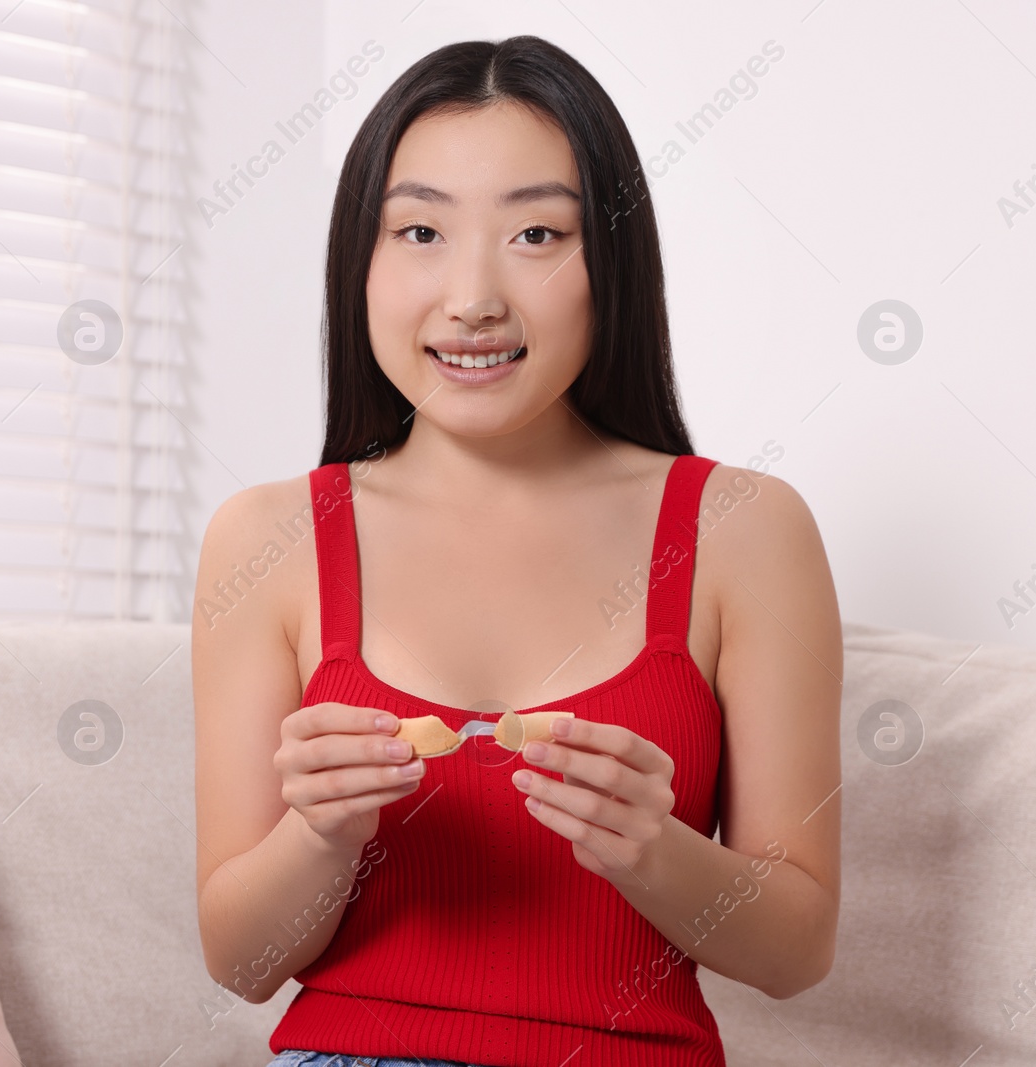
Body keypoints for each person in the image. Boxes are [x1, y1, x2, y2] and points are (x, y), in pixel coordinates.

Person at [193, 34, 841, 1067]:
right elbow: (241, 957)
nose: (472, 296)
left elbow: (794, 948)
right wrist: (318, 834)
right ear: (357, 261)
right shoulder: (265, 538)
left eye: (537, 233)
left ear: (611, 262)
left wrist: (651, 845)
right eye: (418, 231)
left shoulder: (744, 528)